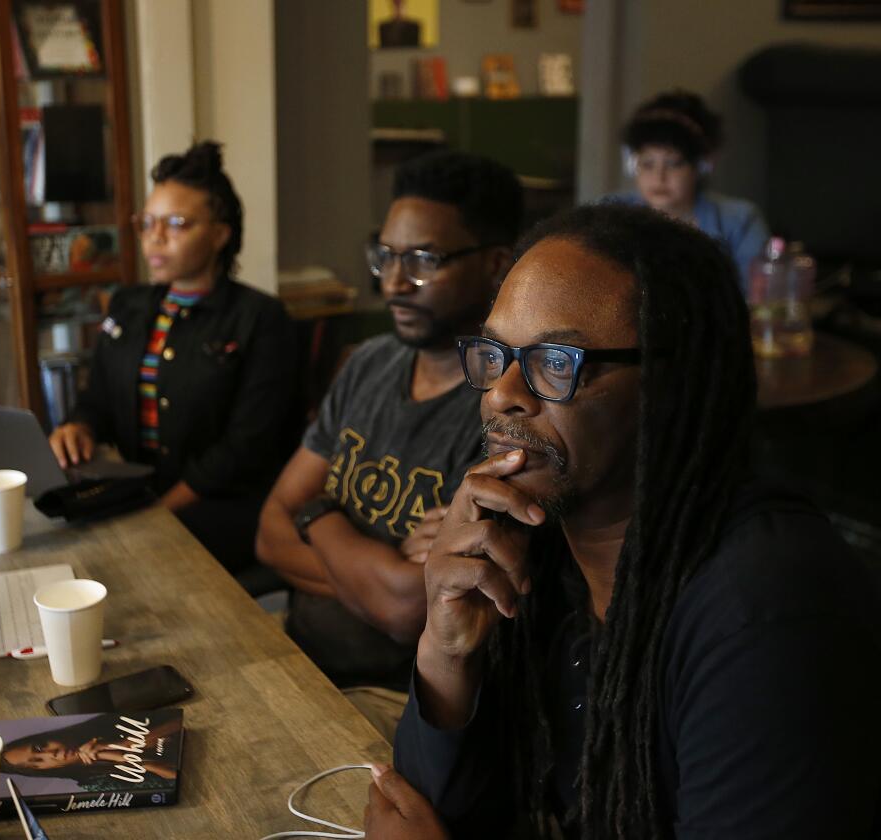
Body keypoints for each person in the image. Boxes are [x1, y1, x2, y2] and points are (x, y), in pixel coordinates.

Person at [364, 203, 881, 838]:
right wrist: (445, 651)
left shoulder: (768, 612)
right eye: (495, 353)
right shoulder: (529, 549)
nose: (500, 394)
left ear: (668, 383)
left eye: (556, 361)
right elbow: (418, 810)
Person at [256, 151, 523, 742]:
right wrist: (370, 573)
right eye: (387, 256)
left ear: (497, 265)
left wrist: (316, 514)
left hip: (394, 701)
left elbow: (408, 614)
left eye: (425, 260)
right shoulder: (370, 363)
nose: (395, 282)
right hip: (291, 651)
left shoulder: (507, 405)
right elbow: (269, 532)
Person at [48, 142, 296, 573]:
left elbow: (246, 447)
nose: (155, 237)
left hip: (224, 505)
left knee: (117, 559)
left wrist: (162, 508)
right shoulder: (128, 305)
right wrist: (78, 426)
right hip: (139, 491)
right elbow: (99, 398)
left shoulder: (260, 318)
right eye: (148, 222)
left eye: (177, 224)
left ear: (221, 234)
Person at [612, 89, 769, 286]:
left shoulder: (739, 221)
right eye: (647, 164)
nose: (659, 177)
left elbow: (759, 297)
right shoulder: (609, 214)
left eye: (674, 164)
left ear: (701, 165)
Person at [1, 715, 183, 784]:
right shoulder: (91, 781)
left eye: (40, 747)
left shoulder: (100, 723)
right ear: (44, 772)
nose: (50, 754)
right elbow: (177, 778)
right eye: (38, 762)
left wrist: (123, 744)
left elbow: (180, 722)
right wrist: (120, 757)